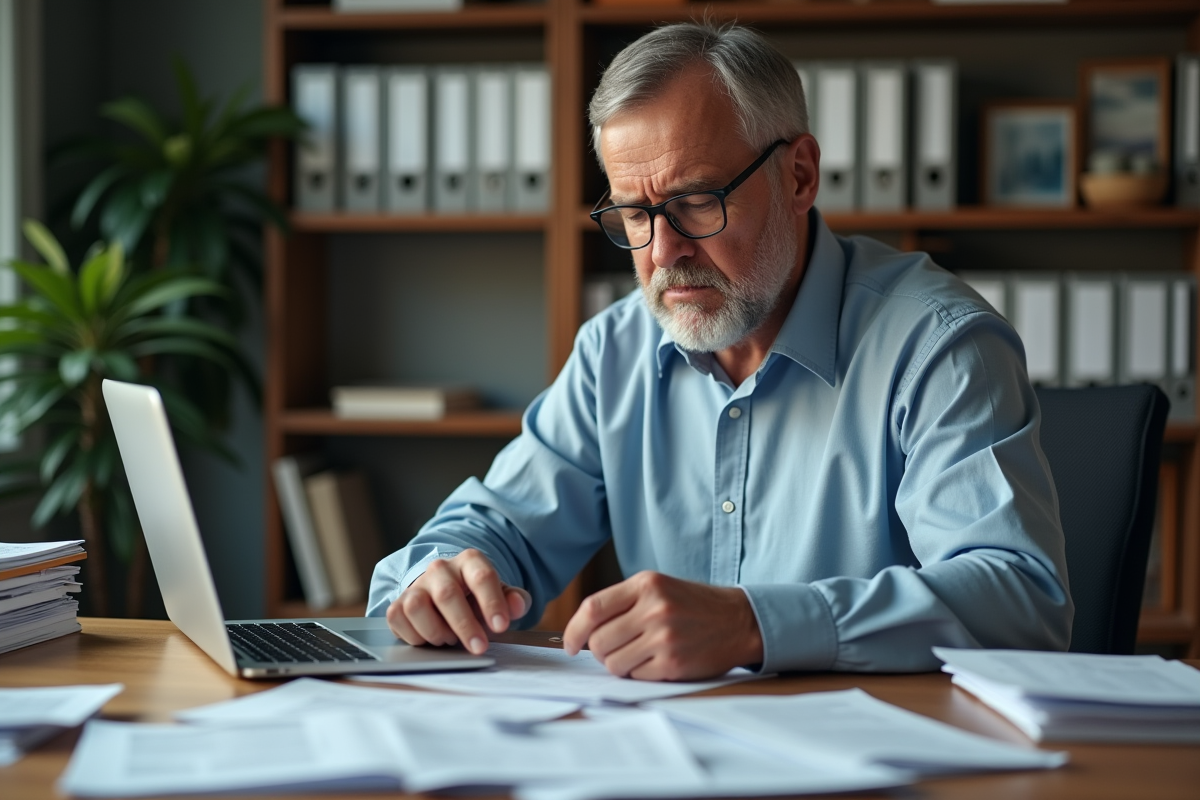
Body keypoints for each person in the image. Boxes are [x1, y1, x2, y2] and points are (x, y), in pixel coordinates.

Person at [368, 22, 1073, 680]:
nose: (664, 251)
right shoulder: (615, 351)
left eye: (697, 201)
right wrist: (443, 577)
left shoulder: (938, 345)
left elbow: (1020, 601)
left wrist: (757, 625)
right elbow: (497, 526)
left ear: (798, 176)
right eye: (635, 214)